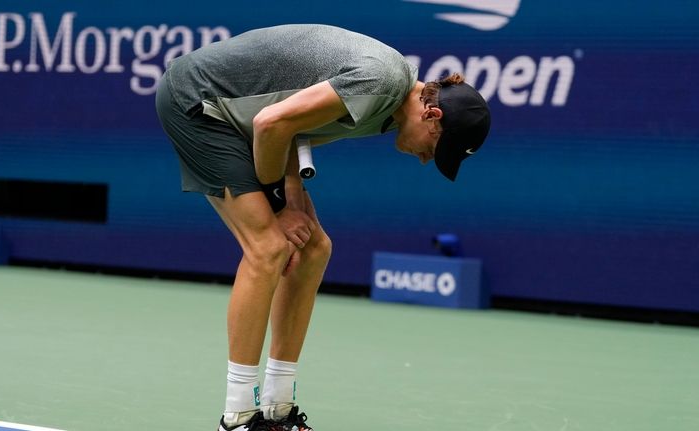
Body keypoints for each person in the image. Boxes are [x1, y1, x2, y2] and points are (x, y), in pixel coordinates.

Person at [155, 23, 490, 431]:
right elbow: (270, 124)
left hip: (245, 121)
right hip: (200, 103)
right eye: (436, 149)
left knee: (315, 248)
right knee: (268, 248)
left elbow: (295, 126)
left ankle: (279, 409)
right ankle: (238, 416)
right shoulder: (380, 83)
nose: (425, 159)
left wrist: (292, 198)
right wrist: (279, 205)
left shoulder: (387, 110)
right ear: (431, 115)